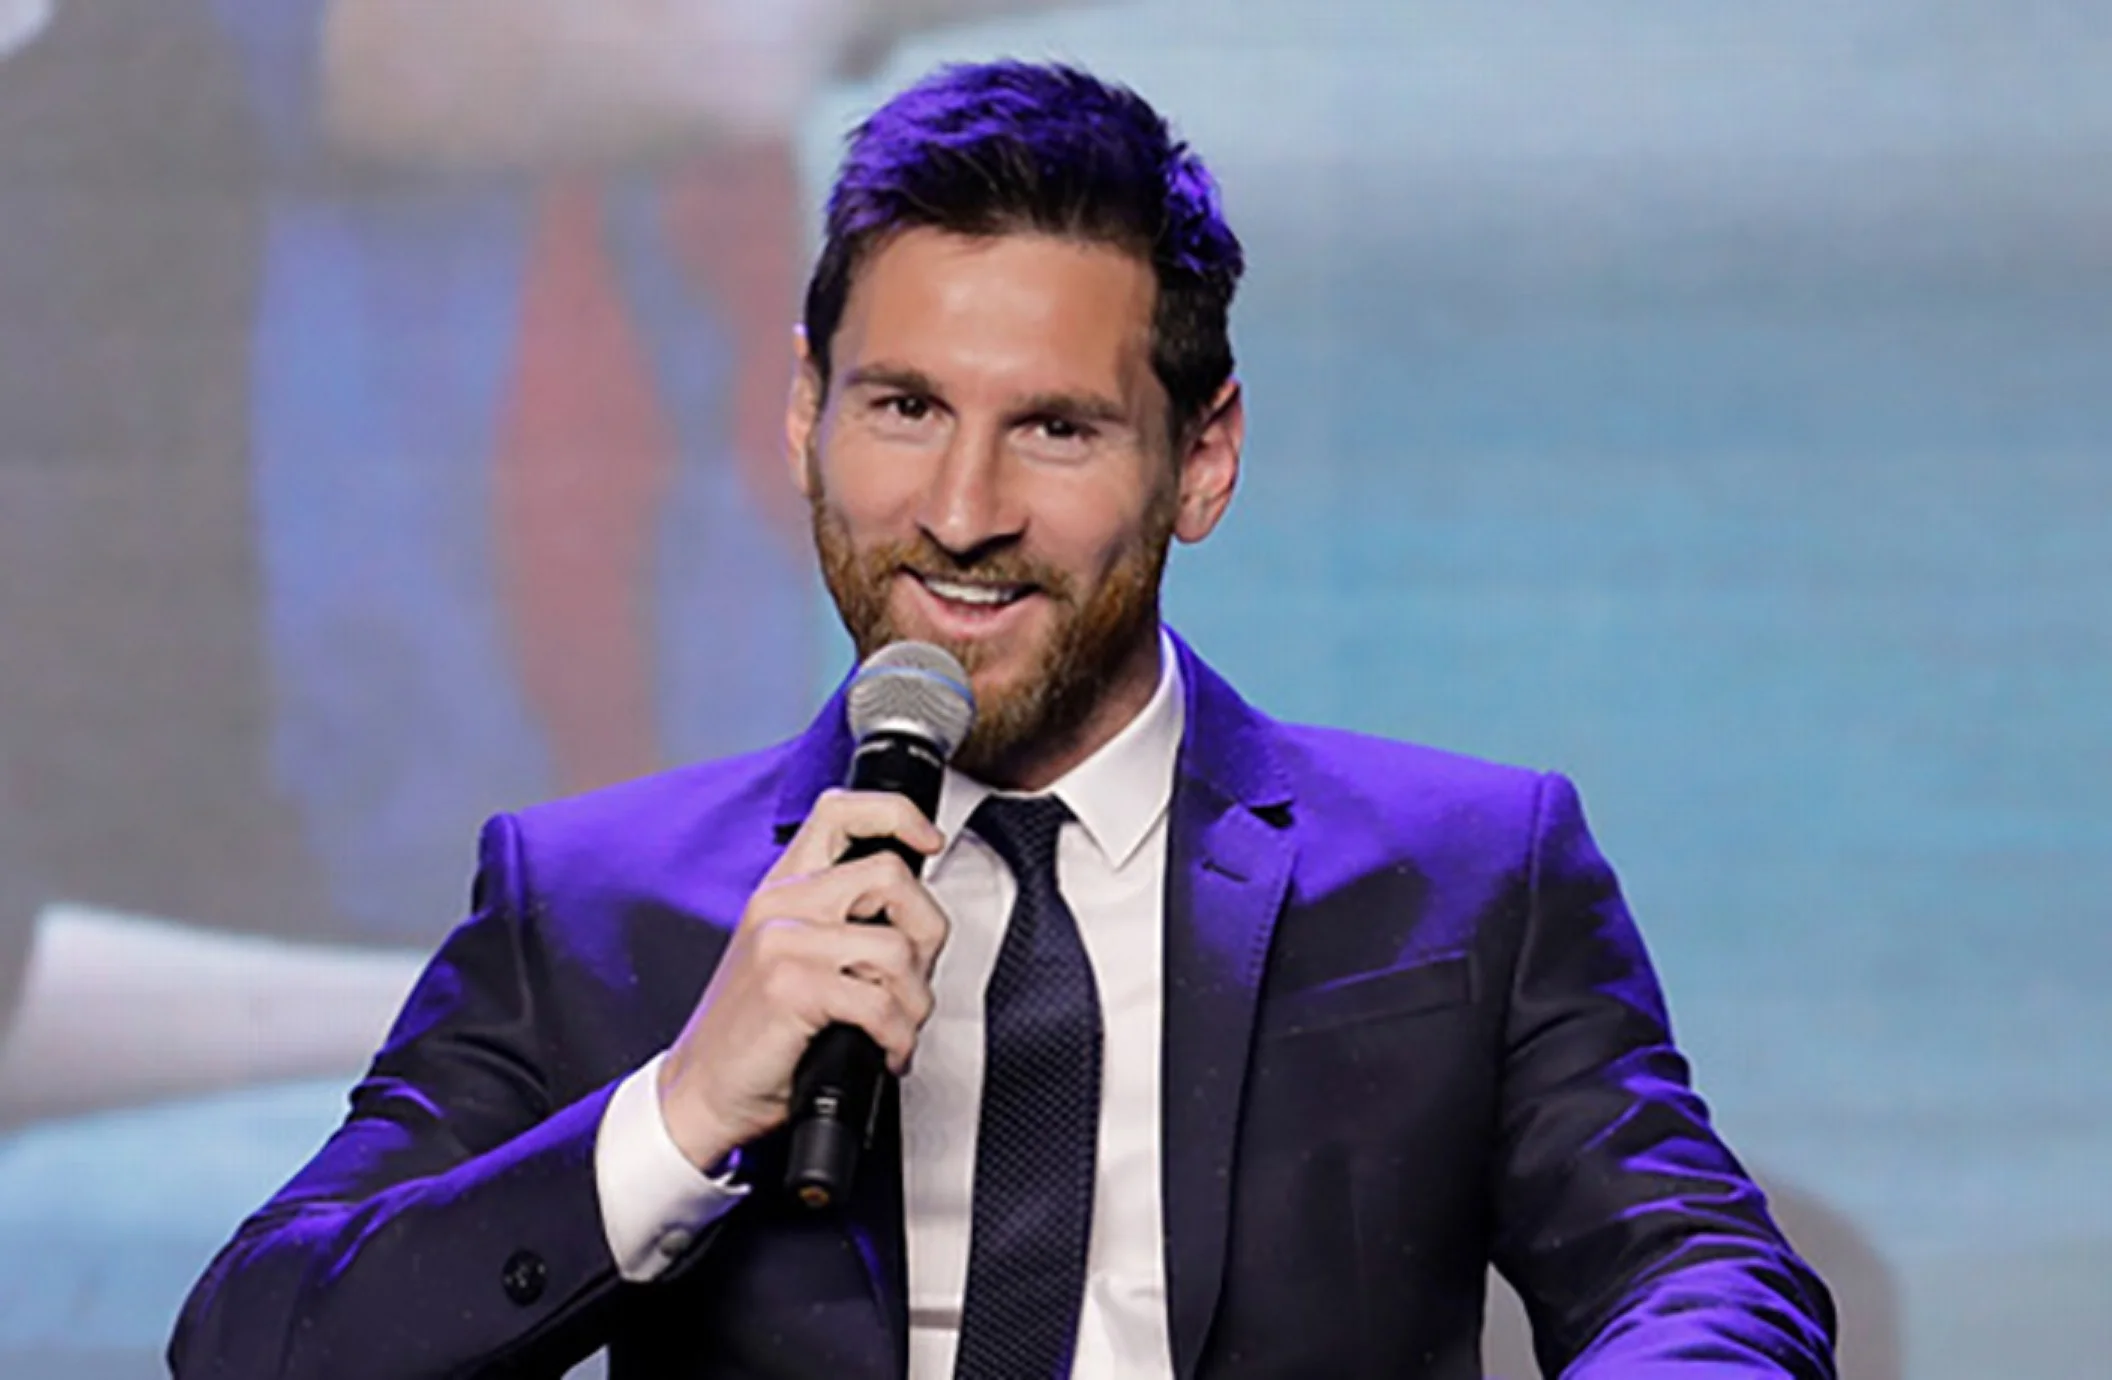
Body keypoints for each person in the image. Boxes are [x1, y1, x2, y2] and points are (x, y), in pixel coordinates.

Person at [171, 60, 1837, 1378]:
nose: (960, 513)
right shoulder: (592, 904)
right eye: (904, 408)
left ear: (1202, 459)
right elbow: (257, 1343)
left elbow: (1702, 1276)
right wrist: (681, 1112)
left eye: (1054, 429)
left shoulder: (1471, 871)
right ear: (805, 412)